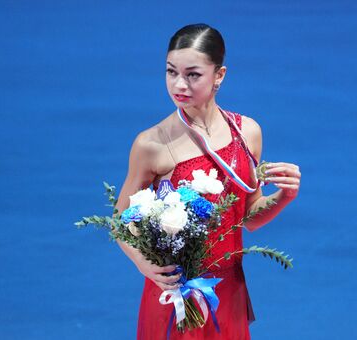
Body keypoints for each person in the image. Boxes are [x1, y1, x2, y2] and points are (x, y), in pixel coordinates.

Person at [114, 23, 301, 340]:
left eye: (193, 74)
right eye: (171, 71)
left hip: (228, 288)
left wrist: (285, 196)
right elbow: (120, 220)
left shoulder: (248, 133)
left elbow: (248, 217)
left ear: (220, 75)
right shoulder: (151, 144)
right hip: (176, 294)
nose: (179, 84)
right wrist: (145, 266)